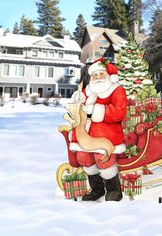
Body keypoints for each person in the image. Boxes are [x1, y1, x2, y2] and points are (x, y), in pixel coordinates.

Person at [69, 58, 127, 201]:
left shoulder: (117, 90)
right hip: (84, 133)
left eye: (101, 74)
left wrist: (96, 110)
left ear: (108, 75)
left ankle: (114, 190)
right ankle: (97, 189)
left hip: (106, 132)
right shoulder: (87, 91)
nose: (98, 77)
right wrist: (75, 104)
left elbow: (119, 111)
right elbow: (76, 107)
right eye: (95, 75)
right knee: (84, 158)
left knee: (102, 159)